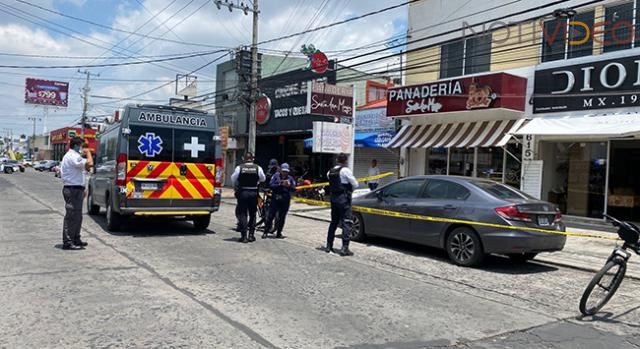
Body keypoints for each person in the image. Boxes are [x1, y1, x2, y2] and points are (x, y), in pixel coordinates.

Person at [60, 137, 93, 250]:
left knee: (78, 216)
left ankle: (76, 238)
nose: (83, 149)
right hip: (72, 189)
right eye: (82, 146)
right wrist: (88, 152)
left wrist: (83, 188)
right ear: (76, 145)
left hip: (77, 189)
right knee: (71, 216)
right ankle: (68, 242)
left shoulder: (75, 156)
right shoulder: (72, 156)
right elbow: (90, 163)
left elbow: (86, 169)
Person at [325, 153, 358, 256]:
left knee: (333, 222)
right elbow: (355, 184)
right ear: (346, 161)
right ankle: (345, 248)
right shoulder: (345, 170)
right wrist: (349, 190)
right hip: (344, 199)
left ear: (337, 160)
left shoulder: (330, 171)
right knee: (346, 222)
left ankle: (329, 245)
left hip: (333, 198)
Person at [231, 152, 266, 243]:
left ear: (243, 158)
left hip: (243, 192)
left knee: (243, 214)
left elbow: (233, 178)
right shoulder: (258, 168)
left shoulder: (239, 167)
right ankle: (251, 235)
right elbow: (263, 179)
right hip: (254, 192)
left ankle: (244, 236)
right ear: (252, 159)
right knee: (253, 214)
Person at [263, 163, 296, 239]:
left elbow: (294, 188)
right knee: (270, 216)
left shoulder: (290, 178)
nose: (285, 173)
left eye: (286, 171)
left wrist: (289, 185)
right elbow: (271, 185)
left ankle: (279, 232)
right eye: (283, 171)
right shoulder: (276, 176)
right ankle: (266, 232)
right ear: (281, 170)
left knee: (282, 217)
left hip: (285, 199)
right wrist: (280, 183)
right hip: (276, 197)